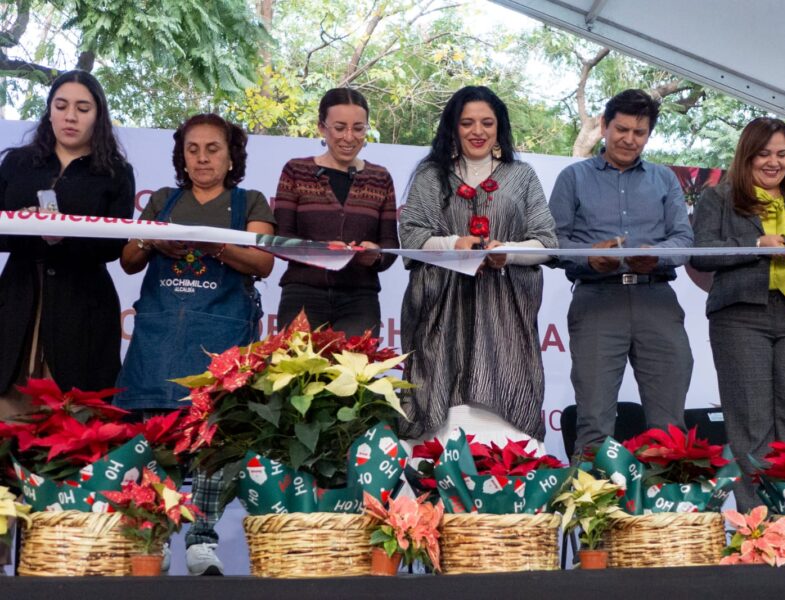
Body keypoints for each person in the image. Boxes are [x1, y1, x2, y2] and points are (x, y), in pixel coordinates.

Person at [113, 114, 275, 575]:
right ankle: (157, 536)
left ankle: (202, 541)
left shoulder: (249, 201)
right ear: (181, 157)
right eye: (193, 149)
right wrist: (155, 240)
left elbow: (263, 262)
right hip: (159, 340)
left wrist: (210, 244)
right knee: (158, 438)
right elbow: (128, 260)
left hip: (221, 341)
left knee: (214, 441)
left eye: (213, 149)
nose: (202, 158)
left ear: (231, 157)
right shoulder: (164, 200)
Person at [691, 117, 785, 510]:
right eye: (764, 154)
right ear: (747, 155)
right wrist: (758, 244)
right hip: (741, 317)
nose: (774, 162)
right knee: (750, 423)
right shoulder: (718, 198)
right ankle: (757, 525)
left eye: (782, 154)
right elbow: (701, 253)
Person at [399, 85, 558, 445]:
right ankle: (431, 469)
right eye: (467, 122)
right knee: (433, 391)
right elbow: (410, 236)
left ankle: (508, 466)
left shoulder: (521, 176)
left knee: (508, 392)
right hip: (440, 311)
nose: (477, 131)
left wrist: (508, 252)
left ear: (499, 128)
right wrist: (455, 245)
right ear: (453, 128)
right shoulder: (431, 175)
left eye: (487, 123)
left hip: (504, 314)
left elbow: (547, 242)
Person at [549, 89, 693, 455]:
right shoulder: (573, 177)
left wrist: (657, 256)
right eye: (622, 129)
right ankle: (590, 492)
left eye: (639, 132)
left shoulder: (664, 179)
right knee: (594, 422)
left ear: (649, 135)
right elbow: (552, 243)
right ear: (604, 126)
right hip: (597, 299)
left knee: (670, 427)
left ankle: (669, 494)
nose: (630, 139)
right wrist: (589, 257)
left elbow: (684, 240)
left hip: (656, 299)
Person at [0, 70, 135, 418]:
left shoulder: (116, 172)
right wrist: (22, 225)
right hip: (16, 298)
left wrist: (64, 236)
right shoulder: (17, 163)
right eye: (61, 106)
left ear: (98, 115)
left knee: (75, 422)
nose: (70, 116)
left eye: (82, 108)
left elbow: (113, 248)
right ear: (49, 112)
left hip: (83, 305)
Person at [273, 88, 398, 337]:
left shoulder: (380, 177)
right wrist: (321, 250)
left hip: (360, 299)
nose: (349, 137)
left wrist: (375, 255)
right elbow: (281, 239)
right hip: (302, 294)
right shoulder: (296, 171)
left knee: (355, 365)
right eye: (339, 128)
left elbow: (390, 244)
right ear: (322, 127)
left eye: (358, 128)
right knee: (298, 364)